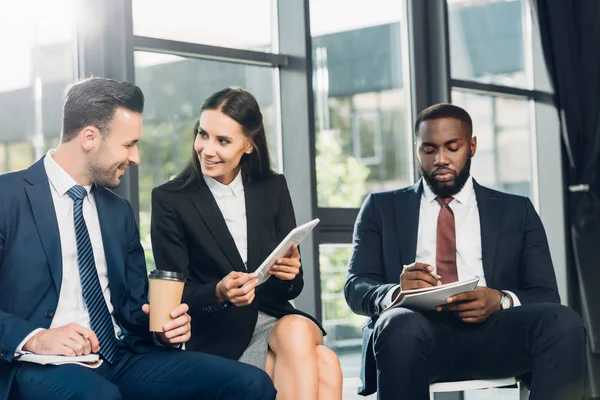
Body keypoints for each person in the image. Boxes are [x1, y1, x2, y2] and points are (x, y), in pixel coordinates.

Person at [0, 78, 276, 400]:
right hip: (39, 361)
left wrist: (164, 329)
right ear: (90, 137)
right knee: (100, 397)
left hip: (121, 355)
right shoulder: (7, 197)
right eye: (128, 144)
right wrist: (34, 337)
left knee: (251, 383)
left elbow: (134, 309)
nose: (135, 158)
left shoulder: (119, 212)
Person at [345, 103, 586, 400]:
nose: (440, 159)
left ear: (472, 146)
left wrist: (499, 299)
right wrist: (397, 293)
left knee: (563, 322)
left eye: (452, 147)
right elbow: (356, 287)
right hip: (415, 338)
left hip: (494, 337)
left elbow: (546, 294)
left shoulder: (516, 210)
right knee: (399, 324)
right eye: (429, 150)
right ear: (418, 150)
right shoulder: (381, 208)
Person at [150, 87, 343, 400]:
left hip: (276, 319)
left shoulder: (272, 187)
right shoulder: (170, 199)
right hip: (217, 332)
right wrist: (219, 291)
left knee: (296, 331)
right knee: (326, 363)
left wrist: (290, 273)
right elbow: (172, 295)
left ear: (250, 144)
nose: (207, 149)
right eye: (203, 134)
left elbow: (293, 290)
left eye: (223, 140)